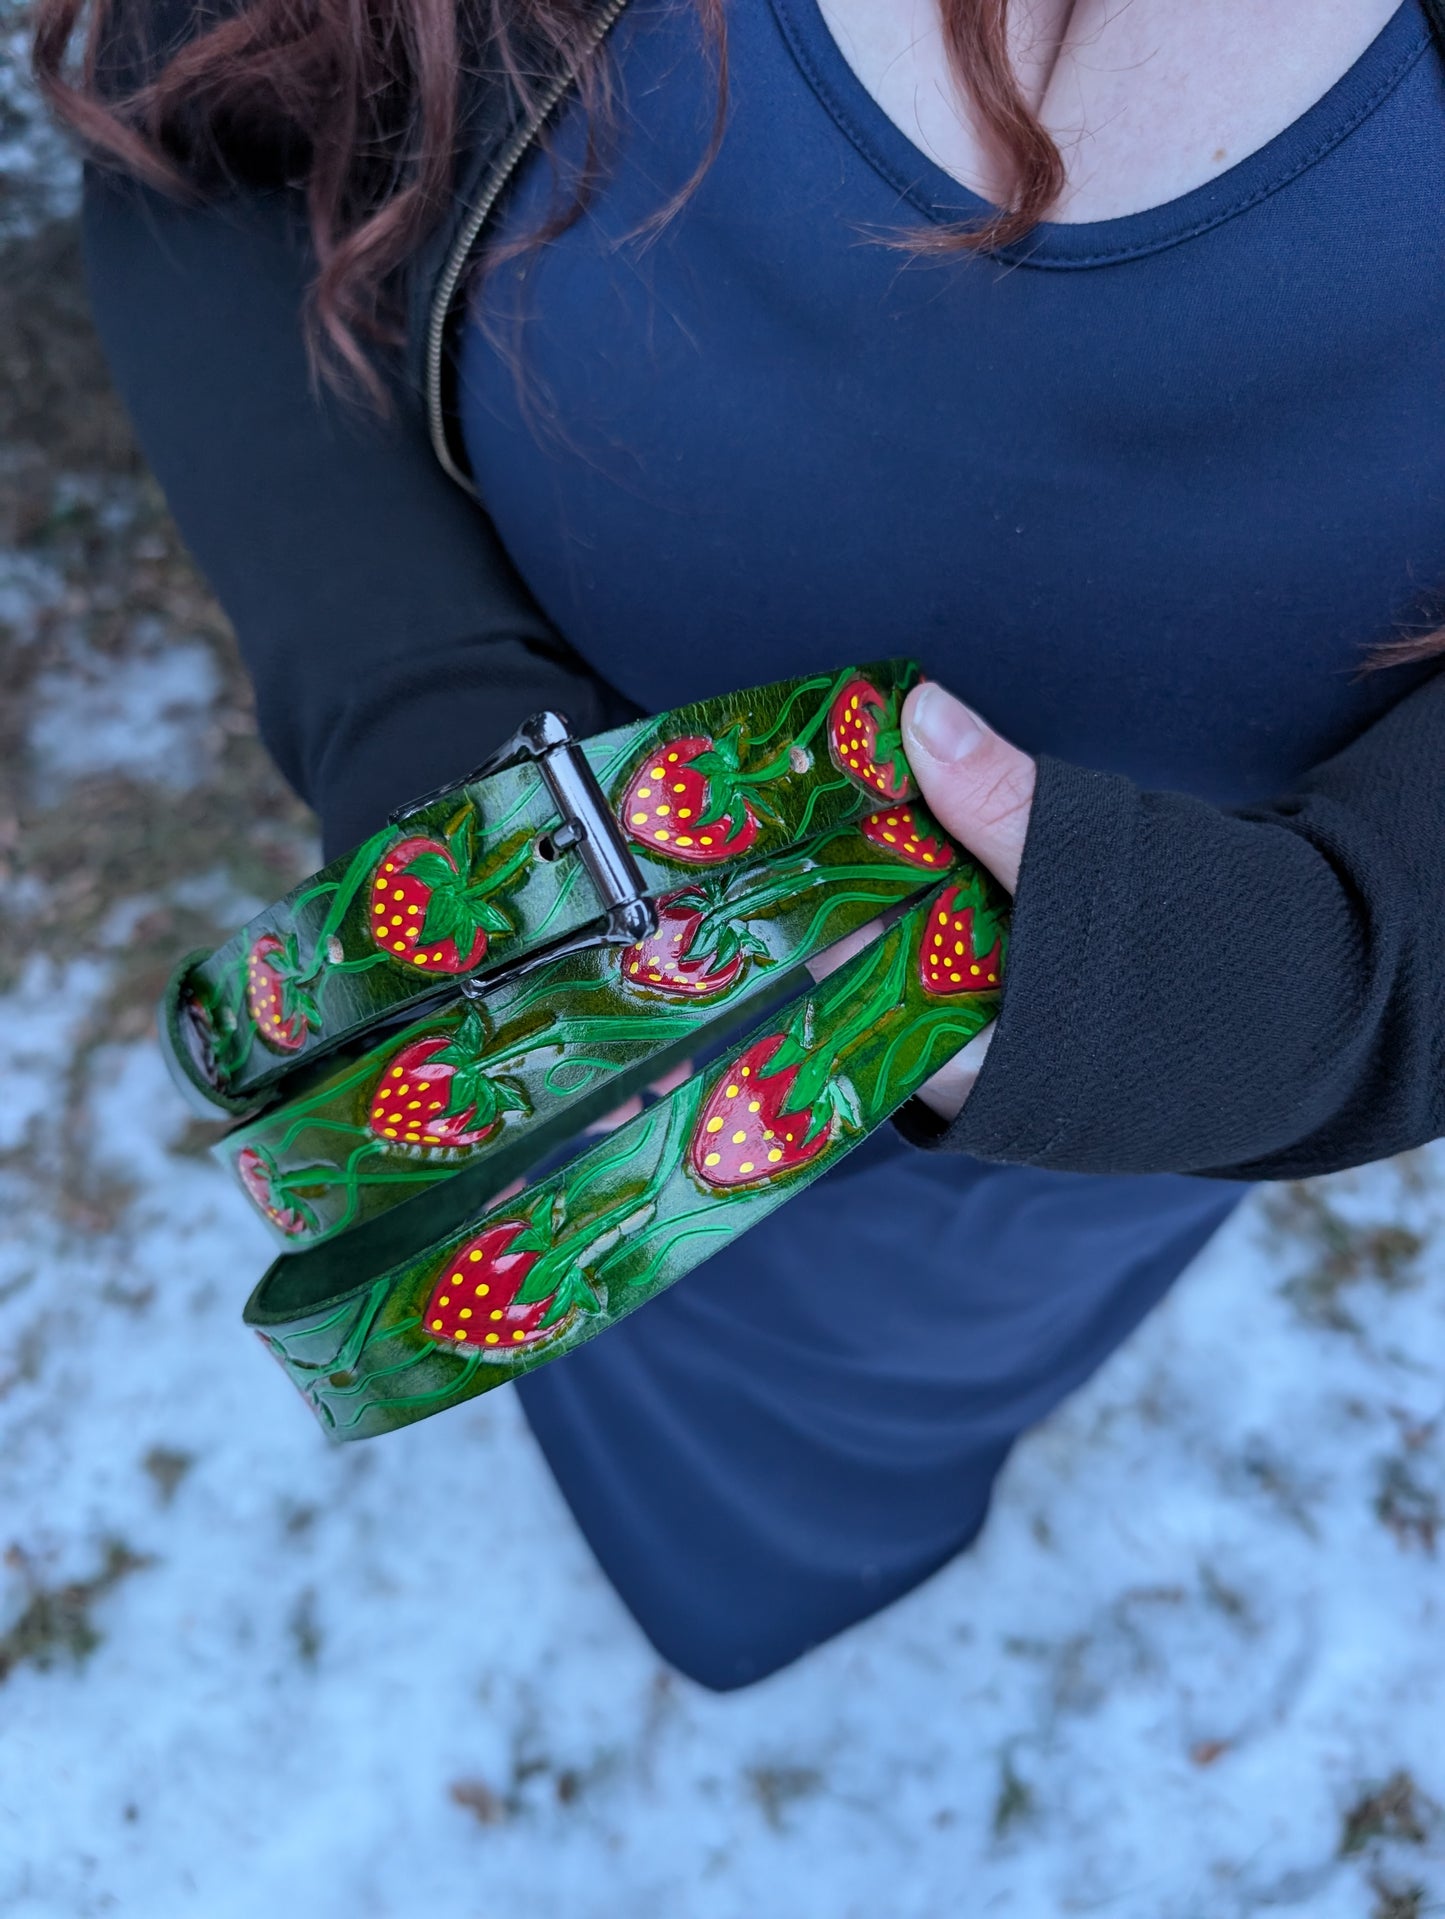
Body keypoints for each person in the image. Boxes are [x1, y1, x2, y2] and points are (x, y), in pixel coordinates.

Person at [33, 0, 1445, 1690]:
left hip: (1066, 1098)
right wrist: (407, 695)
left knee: (862, 1396)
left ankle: (793, 1577)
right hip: (530, 952)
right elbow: (194, 131)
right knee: (587, 1272)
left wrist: (1303, 987)